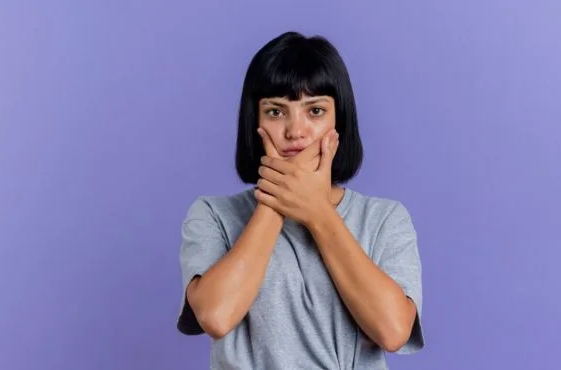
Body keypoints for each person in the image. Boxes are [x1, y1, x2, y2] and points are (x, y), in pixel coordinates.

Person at [177, 31, 424, 369]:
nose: (296, 131)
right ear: (254, 122)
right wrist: (276, 200)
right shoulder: (212, 215)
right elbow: (216, 316)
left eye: (316, 111)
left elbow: (393, 331)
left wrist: (318, 213)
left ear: (340, 121)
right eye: (276, 112)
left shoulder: (384, 218)